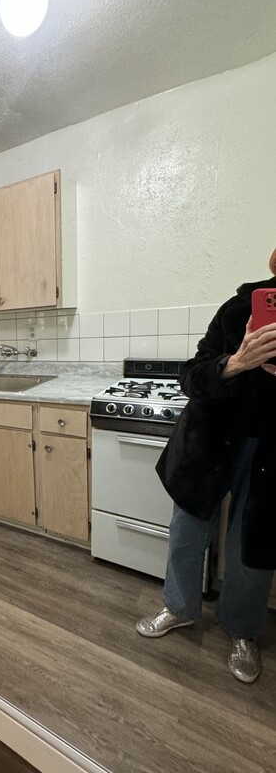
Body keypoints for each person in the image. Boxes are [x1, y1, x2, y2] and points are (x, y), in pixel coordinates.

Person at [136, 248, 276, 683]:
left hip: (269, 453)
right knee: (186, 530)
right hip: (210, 444)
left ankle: (242, 631)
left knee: (250, 548)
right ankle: (178, 607)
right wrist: (237, 362)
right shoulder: (238, 310)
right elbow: (190, 376)